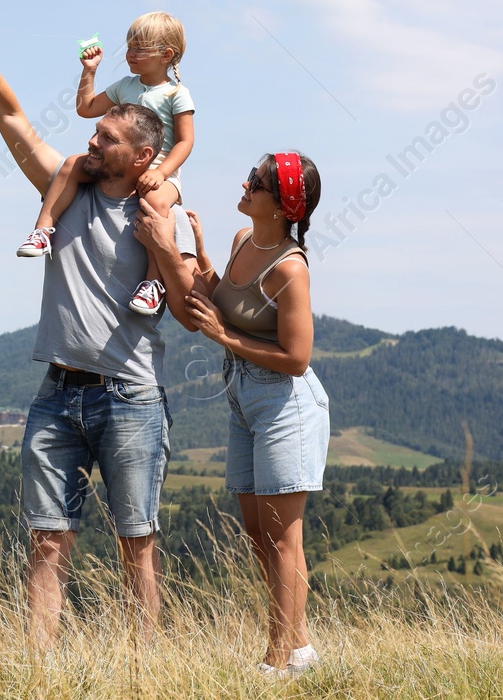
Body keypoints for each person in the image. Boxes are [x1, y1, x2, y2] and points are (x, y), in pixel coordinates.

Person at [0, 0, 199, 647]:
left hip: (131, 398)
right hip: (56, 394)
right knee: (47, 544)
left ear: (143, 155)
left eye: (108, 135)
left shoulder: (165, 215)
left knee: (136, 545)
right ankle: (41, 673)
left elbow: (192, 313)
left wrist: (162, 246)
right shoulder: (68, 186)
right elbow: (11, 118)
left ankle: (146, 674)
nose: (92, 137)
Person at [146, 151, 328, 679]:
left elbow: (297, 359)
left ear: (280, 203)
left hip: (284, 403)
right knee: (257, 533)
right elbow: (225, 300)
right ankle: (300, 648)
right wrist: (198, 258)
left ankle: (279, 659)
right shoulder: (243, 242)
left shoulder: (290, 268)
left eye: (258, 181)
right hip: (243, 398)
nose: (244, 183)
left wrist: (223, 337)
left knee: (282, 537)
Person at [16, 13, 196, 319]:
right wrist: (89, 71)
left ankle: (152, 282)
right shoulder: (125, 85)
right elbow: (85, 108)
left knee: (154, 204)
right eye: (128, 47)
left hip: (160, 171)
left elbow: (185, 142)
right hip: (119, 165)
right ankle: (43, 230)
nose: (129, 54)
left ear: (166, 55)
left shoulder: (177, 94)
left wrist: (161, 172)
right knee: (72, 164)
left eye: (139, 49)